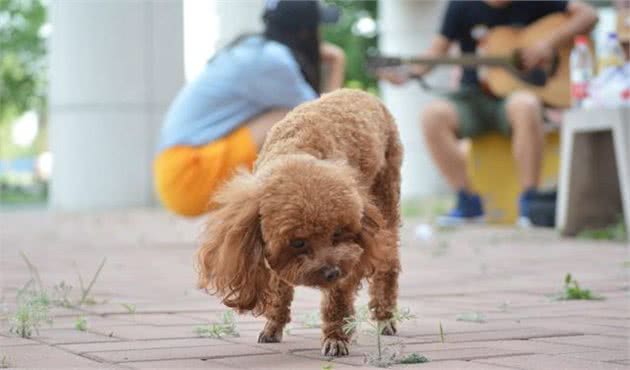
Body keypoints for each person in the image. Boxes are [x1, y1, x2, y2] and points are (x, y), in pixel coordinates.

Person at [379, 0, 598, 226]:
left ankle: (530, 204)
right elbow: (435, 53)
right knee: (432, 116)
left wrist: (547, 44)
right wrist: (406, 73)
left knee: (526, 105)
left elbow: (589, 15)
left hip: (515, 98)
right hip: (472, 97)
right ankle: (468, 203)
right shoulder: (460, 6)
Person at [154, 0, 346, 217]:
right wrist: (338, 62)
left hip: (175, 171)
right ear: (304, 31)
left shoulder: (256, 50)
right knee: (292, 119)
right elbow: (325, 117)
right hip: (187, 174)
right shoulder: (274, 62)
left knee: (292, 118)